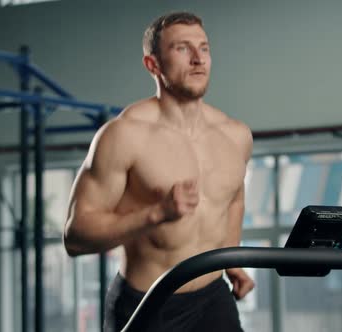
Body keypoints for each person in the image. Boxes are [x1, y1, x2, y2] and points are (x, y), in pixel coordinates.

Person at [63, 11, 255, 332]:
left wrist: (230, 259)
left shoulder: (236, 136)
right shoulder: (123, 136)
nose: (198, 59)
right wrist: (156, 213)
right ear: (153, 65)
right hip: (148, 303)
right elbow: (76, 237)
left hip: (213, 297)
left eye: (204, 48)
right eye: (182, 48)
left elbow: (233, 199)